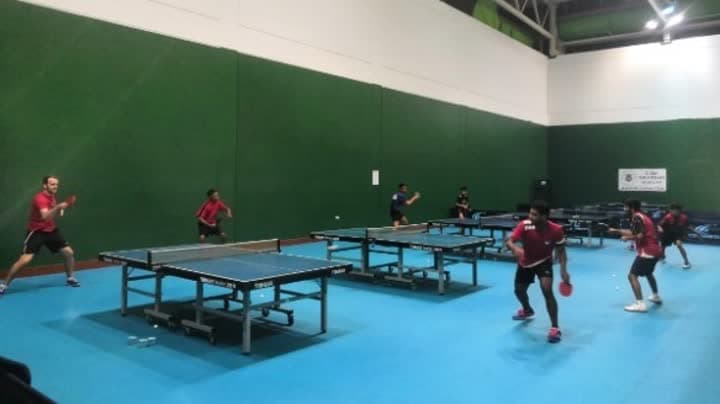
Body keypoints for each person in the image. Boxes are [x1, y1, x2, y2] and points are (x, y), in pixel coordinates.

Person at [0, 176, 79, 295]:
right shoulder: (40, 198)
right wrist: (58, 207)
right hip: (36, 232)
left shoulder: (51, 196)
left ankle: (70, 278)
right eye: (52, 184)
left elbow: (51, 212)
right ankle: (3, 285)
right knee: (25, 260)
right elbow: (45, 217)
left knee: (69, 253)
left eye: (56, 184)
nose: (55, 187)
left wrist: (60, 209)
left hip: (51, 230)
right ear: (45, 185)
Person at [505, 200, 570, 343]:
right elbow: (509, 240)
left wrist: (563, 270)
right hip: (525, 262)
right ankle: (527, 309)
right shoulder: (524, 225)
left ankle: (555, 328)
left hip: (544, 262)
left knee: (547, 290)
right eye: (530, 213)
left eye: (534, 214)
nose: (530, 216)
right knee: (519, 291)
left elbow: (561, 251)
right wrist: (514, 248)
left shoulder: (556, 230)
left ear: (544, 216)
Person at [608, 199, 663, 313]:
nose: (624, 209)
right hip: (656, 250)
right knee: (648, 273)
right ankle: (656, 296)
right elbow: (636, 232)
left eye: (625, 207)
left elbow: (639, 235)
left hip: (647, 250)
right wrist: (617, 231)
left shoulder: (636, 217)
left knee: (632, 276)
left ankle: (640, 304)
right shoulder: (643, 216)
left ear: (631, 208)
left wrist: (626, 238)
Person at [657, 203, 695, 269]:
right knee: (662, 246)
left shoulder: (684, 218)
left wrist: (692, 229)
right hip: (668, 234)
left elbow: (688, 225)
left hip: (678, 234)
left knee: (679, 245)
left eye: (675, 210)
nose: (673, 212)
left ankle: (686, 262)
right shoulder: (667, 217)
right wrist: (660, 228)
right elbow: (659, 225)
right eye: (672, 210)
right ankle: (662, 257)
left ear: (679, 211)